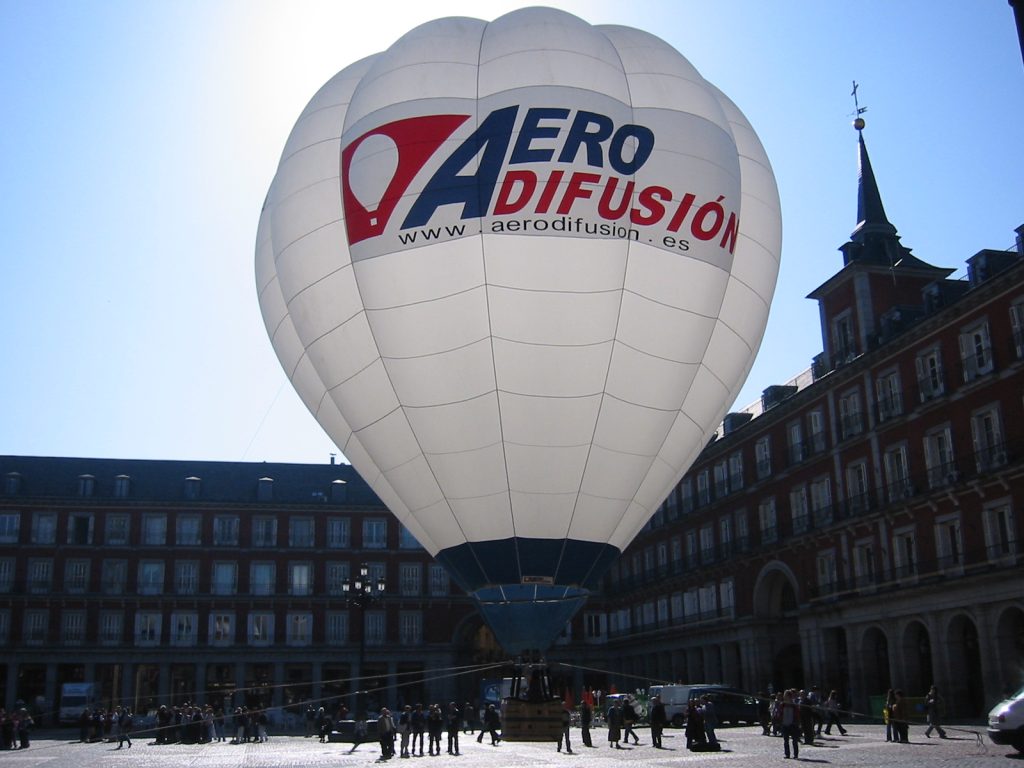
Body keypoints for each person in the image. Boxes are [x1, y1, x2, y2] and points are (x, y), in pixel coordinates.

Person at [780, 690, 800, 759]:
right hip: (785, 724)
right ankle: (787, 754)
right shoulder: (782, 705)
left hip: (793, 725)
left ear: (790, 697)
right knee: (786, 741)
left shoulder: (794, 705)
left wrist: (796, 722)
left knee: (794, 741)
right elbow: (780, 714)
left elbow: (797, 714)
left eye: (786, 696)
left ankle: (795, 754)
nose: (785, 697)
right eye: (785, 696)